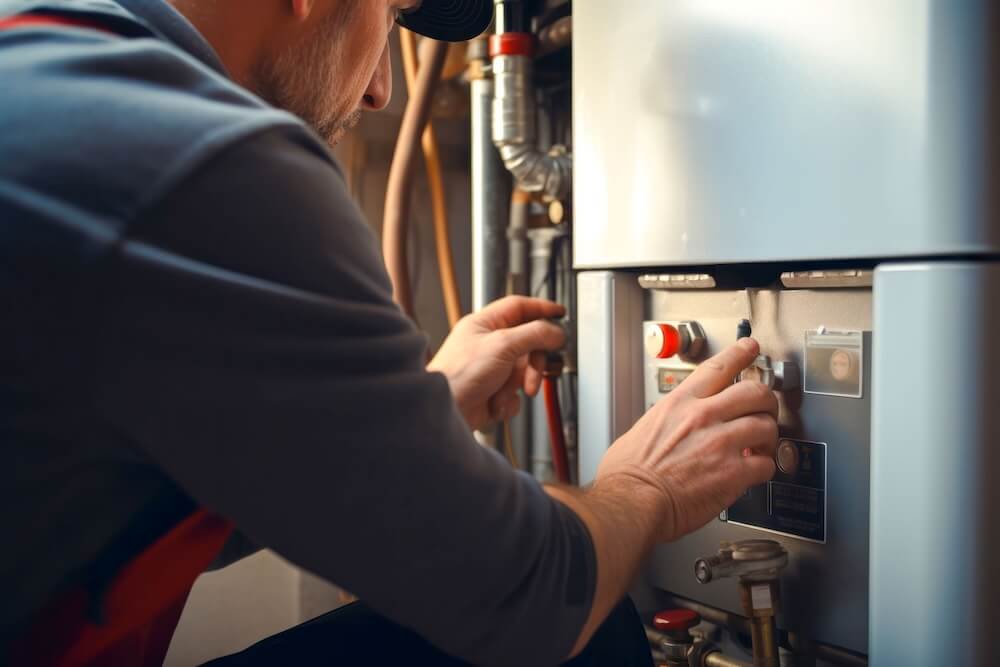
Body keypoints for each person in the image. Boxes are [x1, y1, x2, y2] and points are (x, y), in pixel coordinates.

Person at [0, 0, 780, 664]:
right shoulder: (197, 156)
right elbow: (528, 595)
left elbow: (123, 519)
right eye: (391, 14)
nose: (380, 89)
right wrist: (644, 489)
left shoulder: (45, 66)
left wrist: (419, 409)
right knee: (593, 631)